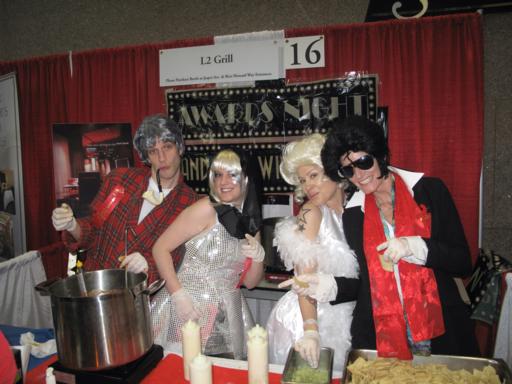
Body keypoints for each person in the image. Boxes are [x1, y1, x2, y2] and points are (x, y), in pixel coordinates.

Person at [282, 115, 480, 359]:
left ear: (380, 155)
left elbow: (462, 262)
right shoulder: (354, 214)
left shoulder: (429, 191)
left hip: (441, 330)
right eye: (348, 168)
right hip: (384, 336)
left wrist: (416, 247)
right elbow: (367, 286)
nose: (358, 174)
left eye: (363, 161)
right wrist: (331, 286)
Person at [51, 114, 198, 283]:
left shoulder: (190, 203)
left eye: (167, 147)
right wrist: (72, 225)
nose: (162, 158)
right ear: (146, 156)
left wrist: (149, 264)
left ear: (179, 148)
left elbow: (181, 258)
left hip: (138, 297)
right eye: (153, 151)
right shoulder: (119, 180)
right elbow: (92, 230)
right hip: (95, 284)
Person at [150, 147, 265, 359]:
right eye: (218, 175)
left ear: (247, 178)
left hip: (228, 315)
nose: (224, 182)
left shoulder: (251, 221)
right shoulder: (206, 209)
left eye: (232, 174)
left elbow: (250, 282)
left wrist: (259, 257)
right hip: (188, 308)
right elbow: (160, 248)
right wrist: (178, 295)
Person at [266, 134, 358, 371]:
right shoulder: (312, 212)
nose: (308, 186)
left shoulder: (355, 209)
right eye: (302, 180)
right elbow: (303, 278)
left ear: (334, 171)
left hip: (343, 316)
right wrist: (310, 330)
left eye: (314, 175)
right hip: (307, 317)